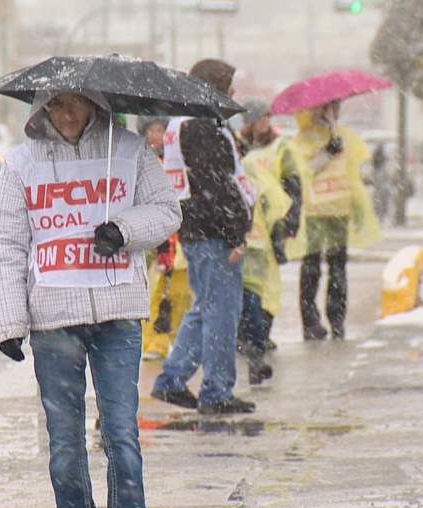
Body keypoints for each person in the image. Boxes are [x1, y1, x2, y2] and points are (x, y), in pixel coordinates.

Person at [0, 89, 179, 508]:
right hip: (54, 318)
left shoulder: (130, 150)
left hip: (117, 314)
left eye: (74, 103)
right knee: (65, 444)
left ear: (94, 105)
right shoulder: (22, 164)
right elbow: (6, 243)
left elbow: (165, 210)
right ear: (42, 111)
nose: (65, 114)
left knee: (121, 434)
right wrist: (9, 322)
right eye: (54, 106)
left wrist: (123, 228)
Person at [151, 58, 257, 415]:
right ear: (213, 87)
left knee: (206, 309)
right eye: (228, 85)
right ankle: (215, 390)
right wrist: (236, 233)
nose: (233, 93)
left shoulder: (185, 124)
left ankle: (173, 379)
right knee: (221, 313)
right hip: (214, 232)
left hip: (199, 229)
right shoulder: (201, 126)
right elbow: (216, 183)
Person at [291, 100, 380, 340]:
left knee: (338, 267)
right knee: (312, 267)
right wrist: (327, 152)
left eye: (336, 106)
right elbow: (302, 170)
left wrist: (359, 207)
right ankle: (310, 321)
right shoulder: (304, 138)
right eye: (329, 106)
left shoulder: (345, 136)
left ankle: (337, 319)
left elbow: (353, 173)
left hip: (339, 211)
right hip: (315, 211)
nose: (333, 111)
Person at [237, 98, 303, 382]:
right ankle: (251, 337)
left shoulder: (281, 146)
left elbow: (292, 184)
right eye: (259, 117)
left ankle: (260, 335)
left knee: (268, 287)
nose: (265, 121)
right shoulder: (238, 147)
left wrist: (290, 220)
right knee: (248, 287)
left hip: (270, 225)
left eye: (267, 116)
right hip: (246, 227)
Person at [135, 116, 191, 361]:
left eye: (161, 130)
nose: (156, 136)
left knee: (179, 293)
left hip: (177, 239)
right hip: (156, 241)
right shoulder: (143, 164)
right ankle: (154, 341)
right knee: (156, 293)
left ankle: (171, 339)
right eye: (152, 131)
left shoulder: (174, 162)